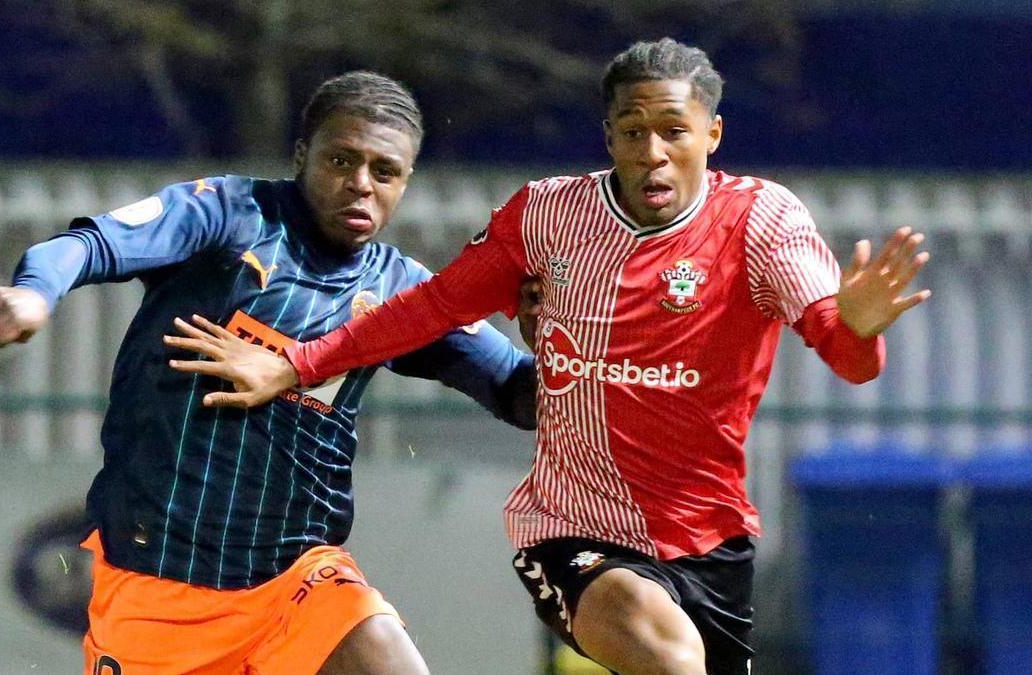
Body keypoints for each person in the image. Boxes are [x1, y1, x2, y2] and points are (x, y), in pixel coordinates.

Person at [180, 38, 931, 675]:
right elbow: (433, 306)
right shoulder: (547, 214)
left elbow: (849, 357)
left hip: (710, 538)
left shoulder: (764, 222)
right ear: (608, 139)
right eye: (632, 131)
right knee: (670, 658)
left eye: (674, 129)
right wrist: (296, 363)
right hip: (573, 526)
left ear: (712, 135)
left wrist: (857, 327)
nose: (653, 151)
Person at [0, 71, 538, 675]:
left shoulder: (401, 292)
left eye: (384, 171)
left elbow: (520, 394)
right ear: (302, 156)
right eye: (341, 160)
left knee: (382, 652)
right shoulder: (227, 214)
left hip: (295, 582)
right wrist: (34, 294)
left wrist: (561, 337)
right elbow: (89, 244)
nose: (360, 185)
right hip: (157, 587)